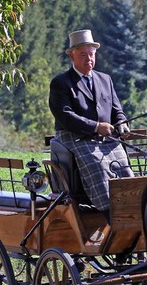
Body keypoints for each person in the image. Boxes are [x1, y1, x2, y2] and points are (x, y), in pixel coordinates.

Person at [49, 29, 134, 220]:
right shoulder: (61, 83)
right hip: (74, 137)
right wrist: (96, 127)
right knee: (99, 164)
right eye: (83, 55)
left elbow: (117, 110)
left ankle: (131, 212)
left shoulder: (105, 79)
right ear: (72, 56)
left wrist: (121, 123)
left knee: (124, 167)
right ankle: (111, 214)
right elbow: (65, 116)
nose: (88, 59)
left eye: (91, 54)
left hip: (106, 138)